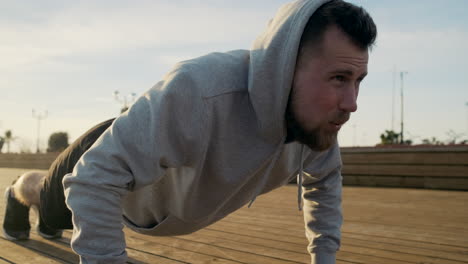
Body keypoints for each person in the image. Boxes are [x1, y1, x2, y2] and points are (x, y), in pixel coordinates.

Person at [2, 0, 377, 263]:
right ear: (284, 70)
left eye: (358, 80)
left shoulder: (315, 124)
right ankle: (16, 189)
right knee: (45, 200)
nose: (351, 102)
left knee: (60, 218)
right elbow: (91, 180)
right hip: (109, 157)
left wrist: (324, 258)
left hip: (144, 191)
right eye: (338, 78)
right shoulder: (200, 90)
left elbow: (323, 184)